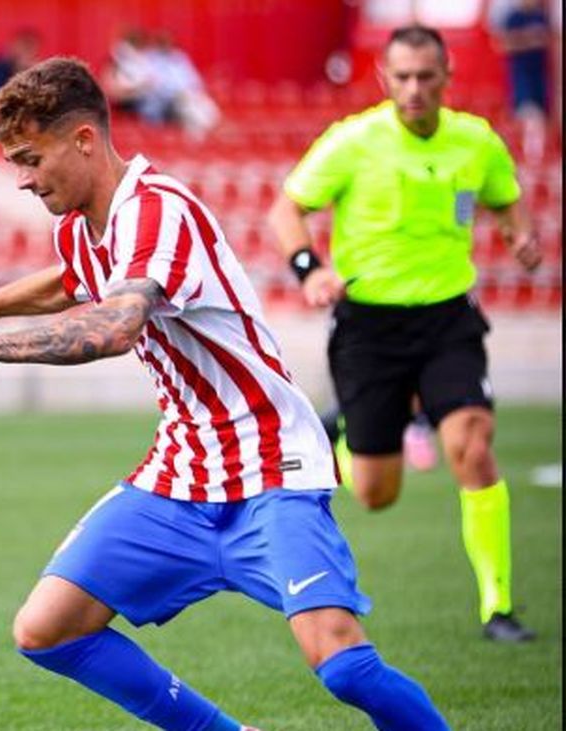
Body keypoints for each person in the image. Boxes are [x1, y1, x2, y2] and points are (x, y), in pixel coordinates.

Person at [0, 57, 449, 731]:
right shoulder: (84, 222)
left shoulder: (160, 212)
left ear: (85, 139)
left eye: (31, 158)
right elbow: (76, 277)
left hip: (271, 468)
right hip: (182, 474)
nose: (24, 179)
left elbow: (118, 324)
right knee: (46, 628)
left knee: (344, 664)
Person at [267, 25, 542, 643]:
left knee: (472, 444)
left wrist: (519, 235)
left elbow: (506, 201)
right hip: (368, 328)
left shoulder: (477, 142)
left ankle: (496, 606)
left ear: (446, 75)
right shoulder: (353, 141)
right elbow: (287, 209)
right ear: (384, 79)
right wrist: (309, 270)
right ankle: (343, 434)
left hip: (449, 319)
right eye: (403, 77)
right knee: (375, 492)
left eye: (426, 76)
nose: (414, 88)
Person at [495, 0, 552, 162]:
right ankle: (526, 157)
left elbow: (547, 39)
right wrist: (528, 38)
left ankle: (537, 156)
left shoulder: (541, 16)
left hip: (540, 77)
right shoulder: (513, 17)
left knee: (540, 118)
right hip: (521, 76)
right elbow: (503, 44)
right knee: (527, 115)